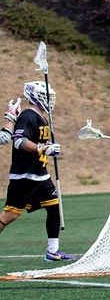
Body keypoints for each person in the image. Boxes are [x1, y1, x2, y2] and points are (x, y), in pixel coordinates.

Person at [0, 82, 73, 261]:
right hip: (24, 176)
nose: (49, 100)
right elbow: (18, 141)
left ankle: (53, 251)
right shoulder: (28, 115)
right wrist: (43, 148)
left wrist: (50, 149)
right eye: (45, 96)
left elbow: (41, 146)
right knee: (10, 215)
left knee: (55, 207)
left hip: (40, 174)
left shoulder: (42, 118)